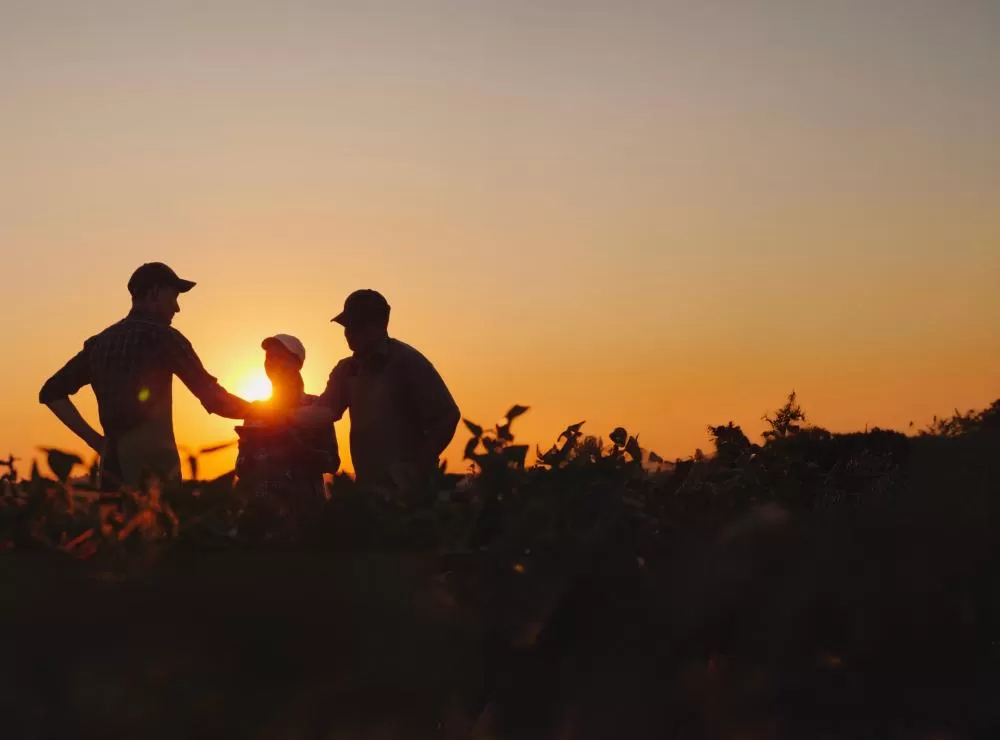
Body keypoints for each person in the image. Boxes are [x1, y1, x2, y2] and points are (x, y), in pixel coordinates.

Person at [39, 262, 251, 490]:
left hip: (112, 472)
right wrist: (268, 413)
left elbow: (51, 393)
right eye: (174, 297)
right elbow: (215, 400)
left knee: (116, 526)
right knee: (160, 524)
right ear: (155, 292)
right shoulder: (164, 338)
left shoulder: (100, 343)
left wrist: (98, 443)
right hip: (155, 475)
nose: (177, 308)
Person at [292, 289, 461, 492]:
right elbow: (324, 412)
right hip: (369, 491)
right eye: (347, 327)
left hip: (411, 494)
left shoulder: (407, 362)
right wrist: (272, 414)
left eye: (356, 326)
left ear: (379, 325)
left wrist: (415, 467)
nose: (349, 333)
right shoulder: (347, 369)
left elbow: (448, 416)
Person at [235, 334, 339, 541]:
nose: (271, 364)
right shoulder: (255, 410)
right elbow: (241, 469)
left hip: (305, 514)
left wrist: (299, 450)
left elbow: (332, 462)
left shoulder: (315, 407)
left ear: (296, 364)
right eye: (268, 358)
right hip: (263, 517)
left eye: (279, 357)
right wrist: (247, 449)